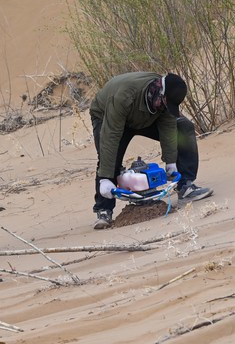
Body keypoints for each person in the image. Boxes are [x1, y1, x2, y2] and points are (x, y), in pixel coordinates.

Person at [90, 71, 212, 230]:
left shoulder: (164, 100)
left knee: (183, 127)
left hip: (144, 118)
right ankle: (104, 209)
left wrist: (171, 162)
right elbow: (110, 136)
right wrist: (105, 178)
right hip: (107, 116)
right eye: (165, 104)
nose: (166, 108)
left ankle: (185, 186)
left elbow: (168, 128)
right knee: (110, 157)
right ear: (158, 92)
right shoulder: (124, 96)